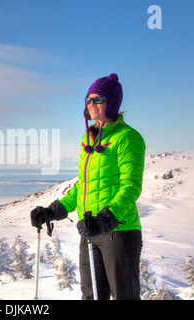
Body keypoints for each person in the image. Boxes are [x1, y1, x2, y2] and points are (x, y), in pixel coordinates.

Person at [30, 73, 146, 300]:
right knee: (91, 296)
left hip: (119, 232)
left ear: (111, 103)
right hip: (90, 231)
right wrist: (53, 211)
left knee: (125, 296)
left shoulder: (128, 137)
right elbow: (83, 187)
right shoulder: (88, 141)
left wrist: (106, 218)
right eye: (88, 99)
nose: (91, 104)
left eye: (98, 99)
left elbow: (131, 186)